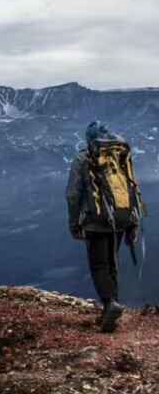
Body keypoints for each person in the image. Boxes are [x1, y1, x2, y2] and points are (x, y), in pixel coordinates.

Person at [66, 121, 140, 333]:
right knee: (111, 263)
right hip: (119, 219)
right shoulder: (119, 156)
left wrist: (74, 223)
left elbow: (72, 194)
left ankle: (110, 305)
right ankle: (112, 307)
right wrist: (132, 222)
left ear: (89, 140)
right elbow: (131, 187)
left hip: (95, 221)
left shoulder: (83, 159)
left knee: (99, 265)